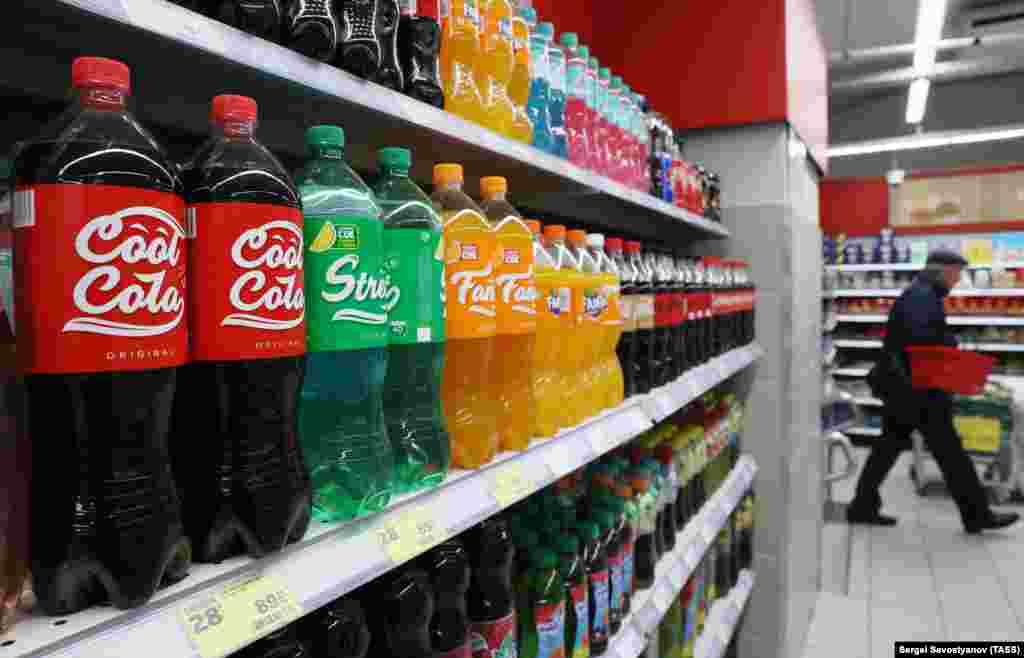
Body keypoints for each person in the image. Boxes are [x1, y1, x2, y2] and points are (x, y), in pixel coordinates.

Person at [846, 250, 1020, 534]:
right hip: (918, 389)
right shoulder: (922, 297)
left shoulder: (922, 294)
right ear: (943, 271)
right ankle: (977, 515)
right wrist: (951, 348)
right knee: (950, 452)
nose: (958, 280)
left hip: (906, 387)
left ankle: (862, 506)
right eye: (957, 273)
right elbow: (922, 343)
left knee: (888, 448)